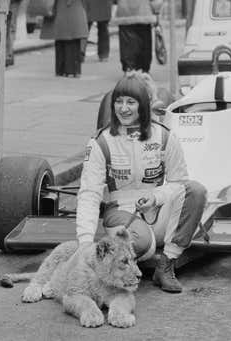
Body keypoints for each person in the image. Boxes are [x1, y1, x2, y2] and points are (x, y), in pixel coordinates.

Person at [76, 73, 207, 293]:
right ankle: (109, 273)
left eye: (130, 102)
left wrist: (156, 197)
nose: (123, 108)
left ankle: (166, 266)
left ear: (143, 106)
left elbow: (178, 183)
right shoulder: (101, 142)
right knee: (141, 244)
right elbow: (89, 194)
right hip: (121, 211)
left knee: (197, 191)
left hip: (158, 207)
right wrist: (85, 244)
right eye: (118, 101)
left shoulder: (165, 137)